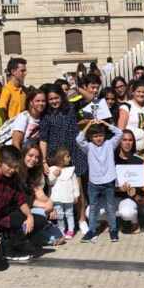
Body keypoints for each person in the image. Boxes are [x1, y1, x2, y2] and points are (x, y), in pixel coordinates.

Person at [39, 83, 89, 232]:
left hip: (74, 153)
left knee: (78, 189)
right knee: (55, 191)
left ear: (62, 96)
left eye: (57, 98)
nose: (54, 101)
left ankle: (81, 219)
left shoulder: (72, 108)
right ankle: (56, 223)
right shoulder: (46, 116)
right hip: (55, 156)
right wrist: (43, 161)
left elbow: (91, 99)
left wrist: (77, 86)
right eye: (51, 99)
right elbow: (43, 139)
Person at [76, 119, 122, 243]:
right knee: (93, 207)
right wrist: (88, 125)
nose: (98, 138)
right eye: (95, 136)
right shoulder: (88, 147)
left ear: (104, 135)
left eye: (100, 135)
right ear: (91, 137)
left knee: (110, 207)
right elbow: (79, 139)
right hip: (94, 182)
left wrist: (104, 123)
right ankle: (91, 231)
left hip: (109, 181)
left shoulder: (109, 144)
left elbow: (119, 133)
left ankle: (113, 230)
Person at [114, 130, 143, 234]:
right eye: (124, 140)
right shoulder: (112, 159)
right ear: (119, 141)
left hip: (128, 198)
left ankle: (134, 222)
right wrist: (118, 188)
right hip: (112, 196)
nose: (127, 143)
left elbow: (141, 186)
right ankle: (109, 221)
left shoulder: (139, 161)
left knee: (127, 213)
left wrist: (135, 192)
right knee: (89, 212)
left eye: (130, 140)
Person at [47, 147, 79, 240]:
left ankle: (71, 229)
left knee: (69, 213)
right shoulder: (52, 169)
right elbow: (49, 182)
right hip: (57, 197)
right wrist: (54, 175)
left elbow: (75, 184)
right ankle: (61, 229)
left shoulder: (71, 170)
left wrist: (76, 195)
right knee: (59, 214)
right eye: (67, 156)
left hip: (68, 196)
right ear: (60, 158)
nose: (69, 158)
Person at [117, 80, 144, 150]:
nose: (141, 94)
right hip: (131, 150)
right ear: (133, 92)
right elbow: (120, 130)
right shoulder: (126, 106)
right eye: (138, 91)